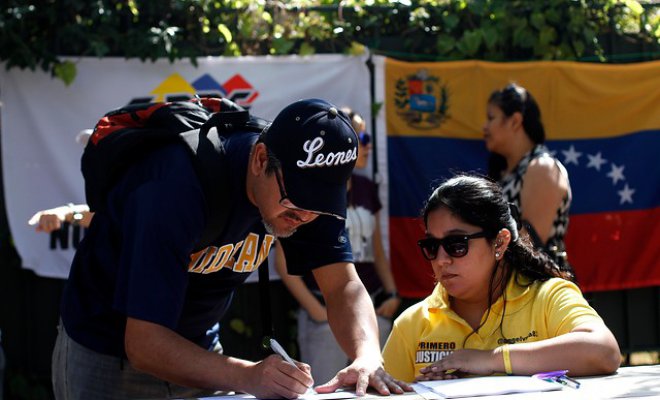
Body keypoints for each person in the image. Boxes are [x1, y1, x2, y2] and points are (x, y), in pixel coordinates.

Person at [51, 98, 411, 400]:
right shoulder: (174, 187)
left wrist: (366, 356)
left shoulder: (307, 185)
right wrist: (249, 377)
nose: (304, 217)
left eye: (318, 206)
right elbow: (143, 343)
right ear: (259, 160)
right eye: (296, 202)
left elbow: (343, 285)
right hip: (105, 351)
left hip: (200, 349)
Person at [382, 174, 620, 382]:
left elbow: (604, 352)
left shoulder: (548, 297)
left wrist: (493, 360)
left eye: (456, 244)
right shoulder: (411, 324)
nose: (441, 259)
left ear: (500, 242)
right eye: (432, 246)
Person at [275, 109, 400, 384]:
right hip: (321, 312)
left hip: (370, 310)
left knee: (374, 385)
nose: (365, 144)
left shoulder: (367, 188)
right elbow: (282, 262)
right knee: (323, 388)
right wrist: (316, 310)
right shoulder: (302, 190)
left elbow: (374, 252)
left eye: (367, 137)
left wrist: (391, 294)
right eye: (359, 138)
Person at [483, 83, 573, 277]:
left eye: (491, 118)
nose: (484, 127)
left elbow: (530, 244)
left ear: (515, 121)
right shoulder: (504, 173)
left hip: (541, 291)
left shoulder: (543, 168)